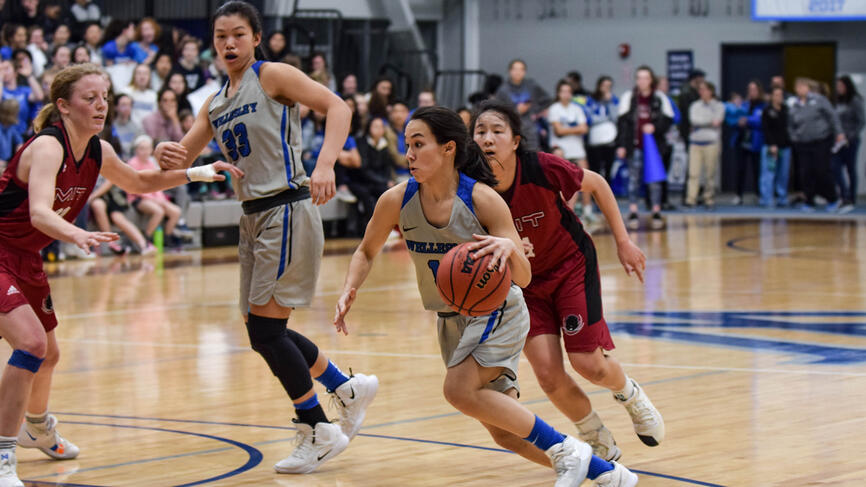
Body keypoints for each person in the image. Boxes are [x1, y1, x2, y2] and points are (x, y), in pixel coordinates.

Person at [335, 105, 638, 487]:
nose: (409, 154)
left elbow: (524, 278)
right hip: (450, 320)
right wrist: (350, 286)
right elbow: (365, 250)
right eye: (406, 144)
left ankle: (567, 450)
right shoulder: (395, 199)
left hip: (499, 311)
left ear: (448, 149)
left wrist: (507, 248)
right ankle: (609, 474)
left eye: (418, 144)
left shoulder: (482, 200)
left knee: (458, 391)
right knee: (504, 431)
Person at [153, 1, 378, 475]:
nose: (228, 43)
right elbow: (176, 164)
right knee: (263, 329)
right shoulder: (215, 104)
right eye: (220, 36)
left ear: (256, 38)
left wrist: (324, 164)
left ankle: (316, 427)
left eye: (237, 34)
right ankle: (344, 387)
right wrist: (164, 152)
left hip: (286, 206)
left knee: (265, 330)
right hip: (252, 217)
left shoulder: (271, 74)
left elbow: (338, 106)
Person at [0, 62, 239, 487]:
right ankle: (2, 457)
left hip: (27, 257)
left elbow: (140, 181)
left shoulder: (98, 150)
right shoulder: (48, 147)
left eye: (105, 97)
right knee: (32, 344)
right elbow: (38, 211)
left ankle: (35, 426)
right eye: (89, 98)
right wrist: (78, 234)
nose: (100, 105)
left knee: (49, 355)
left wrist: (196, 171)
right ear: (63, 106)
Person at [472, 98, 662, 463]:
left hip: (570, 266)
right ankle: (595, 435)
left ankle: (630, 395)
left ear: (514, 141)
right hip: (523, 285)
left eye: (497, 131)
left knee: (589, 364)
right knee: (546, 374)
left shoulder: (541, 166)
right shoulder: (472, 188)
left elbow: (598, 184)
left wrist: (623, 241)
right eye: (480, 131)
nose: (488, 138)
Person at [616, 65, 674, 230]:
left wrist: (655, 127)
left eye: (645, 78)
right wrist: (621, 145)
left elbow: (668, 120)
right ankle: (633, 210)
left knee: (655, 181)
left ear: (651, 80)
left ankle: (656, 210)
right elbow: (622, 123)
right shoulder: (629, 97)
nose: (642, 81)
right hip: (633, 146)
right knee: (633, 180)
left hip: (654, 148)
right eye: (639, 78)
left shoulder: (659, 98)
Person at [788, 77, 845, 211]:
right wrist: (794, 137)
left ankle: (833, 199)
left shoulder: (819, 100)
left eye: (803, 86)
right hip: (803, 143)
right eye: (798, 87)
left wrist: (839, 133)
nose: (800, 89)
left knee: (822, 170)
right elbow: (790, 125)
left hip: (821, 141)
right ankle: (809, 201)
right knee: (806, 173)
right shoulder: (794, 105)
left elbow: (832, 116)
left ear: (808, 88)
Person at [547, 79, 591, 219]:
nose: (566, 94)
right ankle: (562, 210)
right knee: (562, 181)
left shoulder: (577, 109)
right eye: (563, 91)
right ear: (558, 93)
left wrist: (567, 129)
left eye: (568, 92)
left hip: (577, 150)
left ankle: (587, 210)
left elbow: (584, 128)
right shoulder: (554, 109)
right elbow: (558, 130)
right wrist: (575, 129)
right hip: (560, 150)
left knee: (586, 178)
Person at [494, 59, 551, 151]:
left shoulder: (531, 85)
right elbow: (497, 111)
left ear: (524, 72)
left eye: (521, 69)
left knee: (532, 157)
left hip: (530, 130)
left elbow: (547, 99)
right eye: (515, 69)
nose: (518, 72)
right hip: (511, 129)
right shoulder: (503, 90)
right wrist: (517, 111)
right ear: (510, 71)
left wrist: (536, 111)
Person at [685, 81, 724, 208]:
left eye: (704, 89)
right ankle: (691, 199)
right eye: (700, 89)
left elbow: (718, 121)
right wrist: (709, 122)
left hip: (711, 143)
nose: (701, 92)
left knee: (710, 174)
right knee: (693, 173)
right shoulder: (695, 106)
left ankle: (709, 199)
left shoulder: (718, 106)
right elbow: (693, 120)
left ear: (710, 91)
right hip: (695, 143)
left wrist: (702, 123)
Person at [832, 75, 864, 213]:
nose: (839, 88)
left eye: (841, 86)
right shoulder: (838, 101)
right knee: (835, 167)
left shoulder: (855, 100)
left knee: (850, 169)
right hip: (838, 141)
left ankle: (851, 198)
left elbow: (861, 120)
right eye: (837, 86)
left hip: (851, 140)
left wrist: (849, 136)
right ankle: (843, 196)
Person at [732, 80, 765, 205]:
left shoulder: (763, 105)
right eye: (750, 89)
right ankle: (738, 195)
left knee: (757, 169)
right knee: (740, 169)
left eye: (754, 89)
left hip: (756, 142)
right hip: (742, 141)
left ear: (759, 91)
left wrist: (748, 120)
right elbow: (734, 119)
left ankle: (758, 194)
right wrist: (738, 121)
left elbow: (761, 122)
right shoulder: (743, 105)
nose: (752, 92)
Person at [759, 86, 792, 208]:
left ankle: (782, 197)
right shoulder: (767, 111)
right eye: (776, 95)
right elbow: (766, 130)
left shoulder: (786, 110)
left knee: (783, 174)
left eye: (780, 95)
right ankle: (766, 198)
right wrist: (772, 144)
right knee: (769, 173)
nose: (779, 97)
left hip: (785, 146)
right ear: (772, 96)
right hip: (770, 146)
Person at [585, 76, 618, 182]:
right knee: (595, 166)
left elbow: (616, 117)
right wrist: (603, 119)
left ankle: (607, 193)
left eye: (609, 86)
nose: (606, 88)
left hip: (610, 139)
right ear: (599, 86)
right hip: (595, 139)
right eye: (604, 86)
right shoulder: (591, 100)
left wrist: (609, 102)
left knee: (609, 166)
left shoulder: (614, 100)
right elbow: (589, 118)